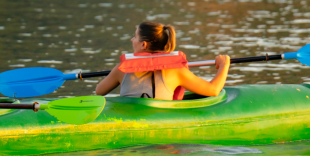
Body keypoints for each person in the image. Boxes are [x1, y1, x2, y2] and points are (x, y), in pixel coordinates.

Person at [95, 21, 230, 100]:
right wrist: (224, 65)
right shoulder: (176, 70)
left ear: (143, 45)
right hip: (161, 127)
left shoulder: (121, 69)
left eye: (135, 37)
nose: (132, 40)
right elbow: (213, 90)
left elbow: (99, 91)